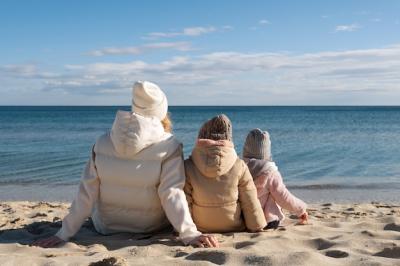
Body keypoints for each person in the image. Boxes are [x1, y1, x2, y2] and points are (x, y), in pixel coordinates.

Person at [33, 81, 218, 248]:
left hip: (105, 226)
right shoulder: (169, 145)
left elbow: (86, 193)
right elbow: (171, 193)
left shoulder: (102, 141)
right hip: (151, 226)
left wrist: (64, 233)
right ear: (162, 111)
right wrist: (189, 233)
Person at [184, 114, 266, 233]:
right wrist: (257, 226)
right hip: (233, 225)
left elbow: (185, 201)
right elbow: (249, 200)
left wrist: (182, 229)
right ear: (228, 139)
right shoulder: (239, 165)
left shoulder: (189, 165)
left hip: (199, 226)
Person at [243, 128, 308, 229]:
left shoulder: (239, 169)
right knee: (274, 193)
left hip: (243, 219)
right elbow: (284, 197)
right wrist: (301, 210)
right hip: (266, 220)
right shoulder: (270, 172)